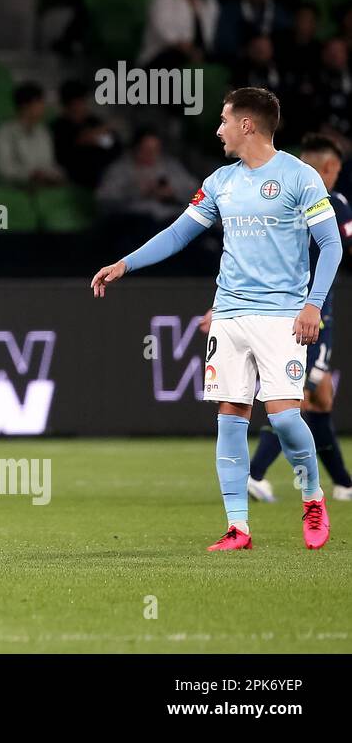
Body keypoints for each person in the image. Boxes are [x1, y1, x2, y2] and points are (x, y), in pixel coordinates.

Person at [91, 87, 337, 551]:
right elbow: (179, 233)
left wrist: (313, 304)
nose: (218, 128)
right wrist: (126, 263)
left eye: (224, 120)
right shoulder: (221, 180)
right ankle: (238, 527)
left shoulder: (299, 177)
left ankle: (311, 496)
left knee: (285, 419)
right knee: (230, 416)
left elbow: (332, 245)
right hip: (228, 314)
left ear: (247, 125)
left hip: (282, 314)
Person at [239, 134, 352, 504]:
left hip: (277, 304)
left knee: (320, 398)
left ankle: (344, 482)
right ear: (329, 169)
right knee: (297, 397)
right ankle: (255, 473)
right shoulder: (332, 202)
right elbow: (340, 247)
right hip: (314, 312)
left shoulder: (275, 198)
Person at [95, 128, 198, 223]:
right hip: (133, 221)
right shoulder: (119, 169)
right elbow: (104, 200)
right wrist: (140, 192)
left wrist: (172, 192)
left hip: (171, 218)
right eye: (146, 149)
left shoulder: (170, 166)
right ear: (135, 148)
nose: (151, 154)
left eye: (155, 149)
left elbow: (194, 189)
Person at [0, 83, 65, 188]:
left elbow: (48, 163)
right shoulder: (5, 132)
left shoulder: (43, 131)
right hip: (16, 187)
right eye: (40, 102)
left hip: (42, 185)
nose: (43, 107)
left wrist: (56, 174)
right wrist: (30, 175)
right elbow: (4, 169)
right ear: (26, 106)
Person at [51, 79, 118, 189]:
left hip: (103, 172)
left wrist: (97, 138)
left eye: (83, 102)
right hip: (76, 174)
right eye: (77, 103)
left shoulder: (93, 121)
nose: (82, 107)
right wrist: (85, 139)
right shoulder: (59, 126)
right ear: (67, 105)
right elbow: (63, 154)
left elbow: (111, 143)